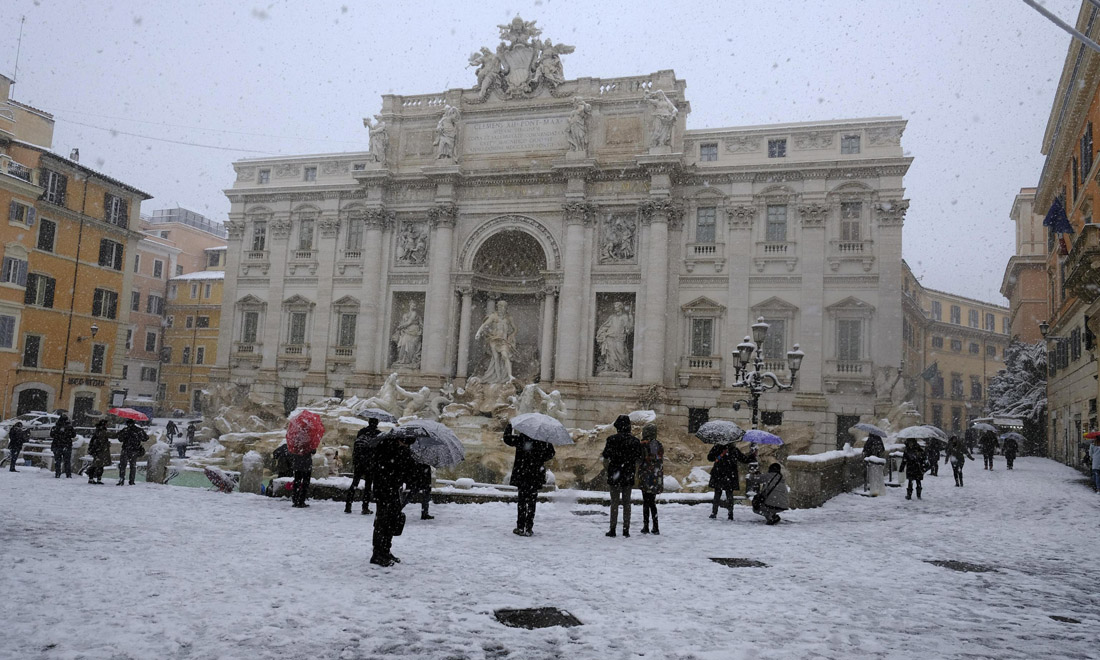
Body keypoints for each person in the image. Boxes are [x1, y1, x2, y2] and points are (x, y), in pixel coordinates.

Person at [371, 430, 418, 566]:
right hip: (384, 490)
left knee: (392, 520)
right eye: (407, 442)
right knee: (383, 521)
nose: (408, 445)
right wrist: (405, 457)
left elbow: (405, 472)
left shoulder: (398, 450)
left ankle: (385, 550)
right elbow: (390, 469)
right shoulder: (388, 449)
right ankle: (378, 553)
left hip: (392, 489)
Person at [503, 423, 556, 537]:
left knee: (522, 501)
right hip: (535, 474)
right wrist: (540, 458)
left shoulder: (522, 438)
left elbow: (507, 439)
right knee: (532, 502)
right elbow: (551, 453)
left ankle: (520, 527)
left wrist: (509, 426)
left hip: (522, 474)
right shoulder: (542, 440)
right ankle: (529, 528)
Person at [602, 415, 642, 538]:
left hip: (615, 474)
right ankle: (626, 529)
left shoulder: (611, 439)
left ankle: (612, 529)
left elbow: (605, 456)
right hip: (628, 474)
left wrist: (610, 468)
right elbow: (638, 458)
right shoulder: (635, 441)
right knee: (627, 502)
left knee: (614, 502)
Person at [708, 441, 754, 520]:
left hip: (718, 474)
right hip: (730, 475)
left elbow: (710, 458)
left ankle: (714, 513)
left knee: (717, 494)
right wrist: (752, 456)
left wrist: (717, 452)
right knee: (729, 494)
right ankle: (730, 513)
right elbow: (744, 459)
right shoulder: (733, 450)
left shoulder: (717, 448)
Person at [474, 300, 517, 383]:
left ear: (506, 308)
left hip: (504, 341)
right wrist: (478, 333)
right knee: (496, 358)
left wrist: (512, 335)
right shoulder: (494, 316)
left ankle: (510, 375)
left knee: (505, 356)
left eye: (503, 307)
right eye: (500, 306)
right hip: (494, 340)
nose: (502, 308)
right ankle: (498, 377)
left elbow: (515, 329)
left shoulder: (508, 318)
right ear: (498, 307)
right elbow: (484, 325)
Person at [345, 419, 379, 515]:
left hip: (359, 461)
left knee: (355, 482)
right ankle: (365, 507)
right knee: (368, 486)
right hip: (370, 463)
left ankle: (348, 505)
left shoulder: (362, 432)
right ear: (377, 424)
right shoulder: (377, 434)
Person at [637, 423, 663, 535]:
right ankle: (654, 526)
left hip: (647, 476)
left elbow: (644, 459)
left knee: (647, 502)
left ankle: (647, 526)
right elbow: (658, 458)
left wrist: (643, 447)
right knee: (651, 502)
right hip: (655, 477)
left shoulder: (648, 444)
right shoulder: (658, 444)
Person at [595, 302, 634, 375]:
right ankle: (612, 368)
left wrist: (631, 319)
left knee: (621, 352)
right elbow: (605, 326)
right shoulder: (612, 317)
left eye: (617, 307)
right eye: (615, 307)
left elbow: (628, 328)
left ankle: (622, 367)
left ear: (620, 307)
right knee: (610, 354)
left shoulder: (624, 316)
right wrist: (601, 332)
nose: (615, 308)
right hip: (610, 337)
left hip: (619, 337)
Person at [117, 419, 147, 486]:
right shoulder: (139, 430)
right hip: (134, 450)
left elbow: (120, 439)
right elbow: (145, 438)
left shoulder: (125, 430)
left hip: (125, 450)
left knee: (122, 466)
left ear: (127, 424)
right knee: (133, 466)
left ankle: (121, 480)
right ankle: (132, 481)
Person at [50, 413, 76, 479]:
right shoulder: (69, 427)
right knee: (67, 461)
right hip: (67, 445)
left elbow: (52, 435)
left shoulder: (56, 427)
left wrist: (58, 434)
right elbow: (74, 435)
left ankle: (58, 473)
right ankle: (68, 474)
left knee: (57, 460)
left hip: (57, 445)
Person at [86, 420, 112, 485]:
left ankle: (93, 478)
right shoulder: (102, 432)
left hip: (97, 451)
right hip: (99, 451)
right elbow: (102, 442)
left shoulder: (98, 431)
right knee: (98, 466)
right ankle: (95, 478)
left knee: (97, 465)